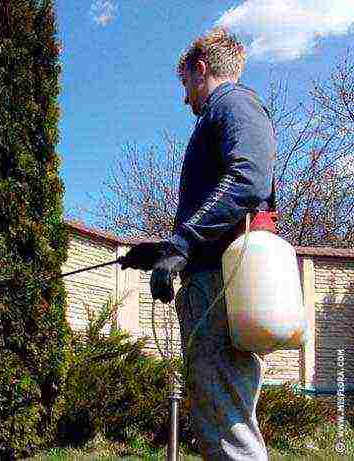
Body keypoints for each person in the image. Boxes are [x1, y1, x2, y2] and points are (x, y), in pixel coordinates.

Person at [120, 27, 275, 460]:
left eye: (185, 83)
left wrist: (182, 244)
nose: (184, 96)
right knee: (221, 416)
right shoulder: (224, 113)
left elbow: (248, 181)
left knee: (225, 423)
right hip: (216, 277)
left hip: (218, 285)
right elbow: (223, 212)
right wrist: (162, 250)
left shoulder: (232, 105)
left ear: (200, 69)